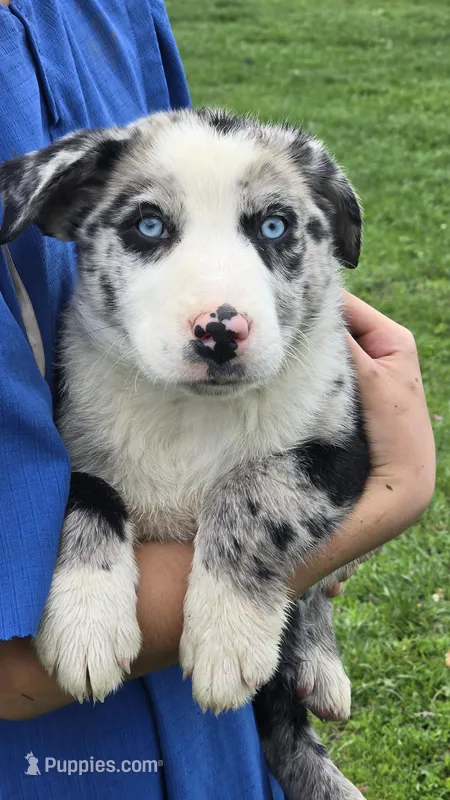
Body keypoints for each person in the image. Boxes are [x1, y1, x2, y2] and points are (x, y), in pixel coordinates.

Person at [0, 1, 435, 798]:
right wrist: (398, 488)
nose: (220, 311)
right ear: (61, 209)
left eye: (270, 227)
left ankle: (296, 737)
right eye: (147, 227)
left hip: (209, 740)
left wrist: (258, 566)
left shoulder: (113, 11)